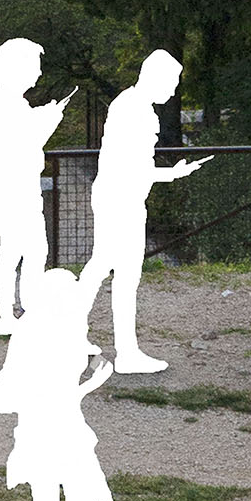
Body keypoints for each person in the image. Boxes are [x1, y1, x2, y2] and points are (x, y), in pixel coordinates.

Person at [0, 261, 115, 501]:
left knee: (46, 500)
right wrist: (91, 385)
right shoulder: (44, 335)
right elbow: (36, 397)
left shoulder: (46, 327)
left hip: (44, 430)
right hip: (57, 432)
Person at [86, 54, 204, 377]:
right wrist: (172, 174)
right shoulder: (138, 112)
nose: (174, 91)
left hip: (117, 198)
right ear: (156, 77)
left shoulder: (128, 104)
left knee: (103, 267)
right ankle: (125, 352)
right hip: (121, 201)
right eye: (172, 83)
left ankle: (75, 334)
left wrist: (170, 173)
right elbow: (133, 168)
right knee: (123, 275)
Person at [0, 35, 73, 331]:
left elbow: (23, 130)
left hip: (16, 189)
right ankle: (17, 312)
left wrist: (43, 114)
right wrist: (53, 117)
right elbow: (31, 140)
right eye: (35, 67)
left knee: (24, 250)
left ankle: (19, 311)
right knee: (25, 251)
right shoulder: (8, 101)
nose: (38, 73)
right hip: (17, 191)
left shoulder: (6, 99)